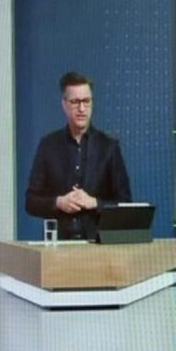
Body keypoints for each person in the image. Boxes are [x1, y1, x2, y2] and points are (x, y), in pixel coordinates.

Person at [26, 71, 131, 239]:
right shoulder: (48, 146)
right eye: (75, 102)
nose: (82, 109)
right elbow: (31, 202)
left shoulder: (109, 147)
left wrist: (94, 203)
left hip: (98, 245)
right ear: (64, 105)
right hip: (59, 245)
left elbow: (125, 203)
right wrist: (58, 202)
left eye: (86, 101)